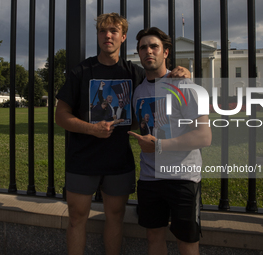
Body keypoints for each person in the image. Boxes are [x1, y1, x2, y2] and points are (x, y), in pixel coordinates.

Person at [55, 13, 191, 255]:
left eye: (113, 31)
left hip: (118, 161)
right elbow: (61, 115)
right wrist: (91, 129)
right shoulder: (81, 71)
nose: (108, 35)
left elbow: (159, 82)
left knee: (115, 218)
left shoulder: (134, 73)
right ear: (97, 35)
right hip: (82, 159)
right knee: (76, 218)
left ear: (123, 36)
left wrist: (183, 73)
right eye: (102, 31)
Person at [128, 27, 212, 255]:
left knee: (187, 240)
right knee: (153, 236)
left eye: (154, 46)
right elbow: (141, 125)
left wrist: (159, 145)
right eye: (143, 47)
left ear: (166, 52)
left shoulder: (185, 86)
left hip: (182, 177)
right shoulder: (138, 92)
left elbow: (204, 136)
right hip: (149, 177)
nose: (148, 51)